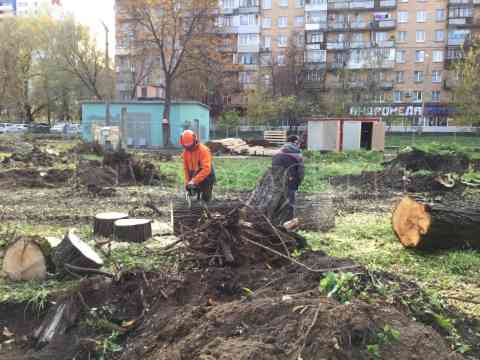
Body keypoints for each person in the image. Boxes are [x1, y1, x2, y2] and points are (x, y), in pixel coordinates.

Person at [272, 135, 305, 219]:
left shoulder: (277, 154)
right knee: (291, 202)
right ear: (295, 142)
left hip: (278, 181)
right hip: (292, 181)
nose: (300, 144)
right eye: (299, 143)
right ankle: (289, 220)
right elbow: (301, 171)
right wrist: (299, 181)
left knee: (277, 199)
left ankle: (275, 219)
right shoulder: (297, 155)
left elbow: (273, 170)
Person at [180, 129, 215, 202]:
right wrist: (187, 182)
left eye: (190, 146)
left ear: (195, 141)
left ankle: (206, 201)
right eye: (187, 147)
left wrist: (194, 181)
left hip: (206, 175)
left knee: (206, 198)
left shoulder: (203, 150)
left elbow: (206, 169)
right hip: (193, 174)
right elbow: (186, 168)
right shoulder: (185, 153)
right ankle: (196, 197)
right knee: (191, 190)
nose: (189, 148)